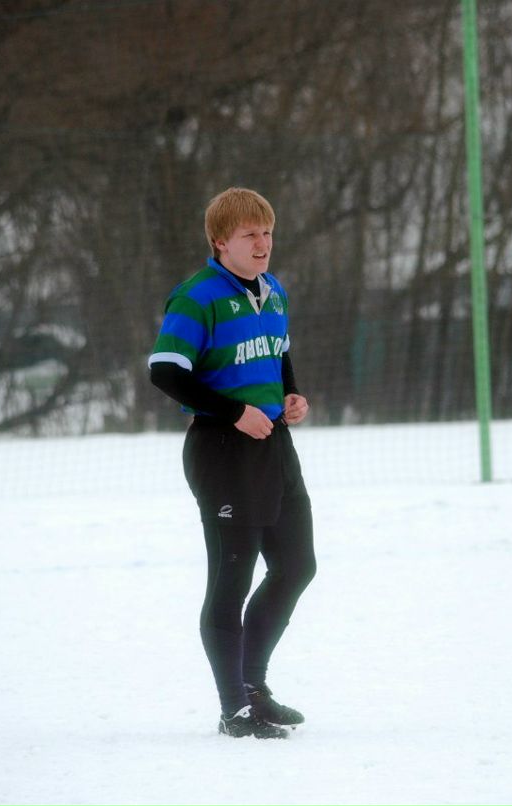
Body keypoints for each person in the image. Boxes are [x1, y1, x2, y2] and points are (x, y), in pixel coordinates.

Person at [149, 187, 316, 740]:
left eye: (267, 232)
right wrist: (233, 412)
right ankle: (234, 709)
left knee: (296, 565)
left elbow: (278, 353)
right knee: (231, 580)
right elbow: (166, 372)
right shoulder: (196, 297)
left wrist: (291, 395)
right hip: (221, 450)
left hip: (272, 445)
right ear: (221, 241)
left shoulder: (273, 293)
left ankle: (254, 688)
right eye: (250, 235)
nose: (263, 243)